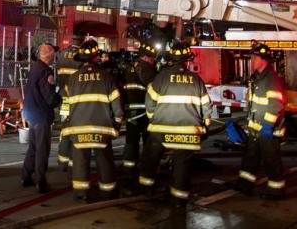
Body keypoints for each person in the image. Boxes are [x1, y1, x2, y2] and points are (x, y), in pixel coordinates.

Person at [138, 40, 213, 207]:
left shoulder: (160, 78)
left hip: (161, 128)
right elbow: (207, 106)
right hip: (188, 131)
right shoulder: (196, 80)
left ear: (170, 59)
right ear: (187, 61)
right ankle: (178, 199)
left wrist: (153, 118)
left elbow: (150, 102)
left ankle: (146, 190)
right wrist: (206, 126)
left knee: (150, 158)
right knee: (182, 164)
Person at [61, 39, 124, 202]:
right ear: (96, 57)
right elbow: (116, 103)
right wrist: (117, 122)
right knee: (104, 160)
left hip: (78, 127)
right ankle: (108, 192)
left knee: (80, 160)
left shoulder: (72, 79)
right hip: (101, 127)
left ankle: (80, 193)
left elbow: (68, 103)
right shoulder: (106, 77)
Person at [231, 42, 287, 200]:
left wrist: (268, 125)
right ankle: (245, 184)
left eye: (254, 58)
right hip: (257, 127)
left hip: (267, 129)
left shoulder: (271, 79)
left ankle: (276, 190)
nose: (252, 61)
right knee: (250, 157)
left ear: (263, 60)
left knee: (271, 159)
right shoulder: (259, 78)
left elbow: (276, 104)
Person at [20, 43, 61, 193]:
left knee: (34, 147)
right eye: (54, 54)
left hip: (31, 113)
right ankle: (40, 181)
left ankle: (26, 177)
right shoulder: (46, 72)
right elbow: (49, 97)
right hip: (41, 115)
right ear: (50, 56)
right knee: (42, 149)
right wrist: (59, 99)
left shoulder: (35, 68)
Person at [121, 34, 161, 177]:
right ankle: (147, 169)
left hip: (130, 111)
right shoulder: (148, 71)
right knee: (148, 142)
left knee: (131, 141)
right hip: (145, 112)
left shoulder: (128, 68)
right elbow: (154, 92)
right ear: (145, 57)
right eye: (151, 58)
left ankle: (128, 169)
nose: (152, 61)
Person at [55, 44, 81, 173]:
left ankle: (62, 162)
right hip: (75, 99)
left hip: (63, 97)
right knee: (75, 129)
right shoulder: (80, 55)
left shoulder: (61, 54)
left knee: (64, 129)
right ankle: (72, 161)